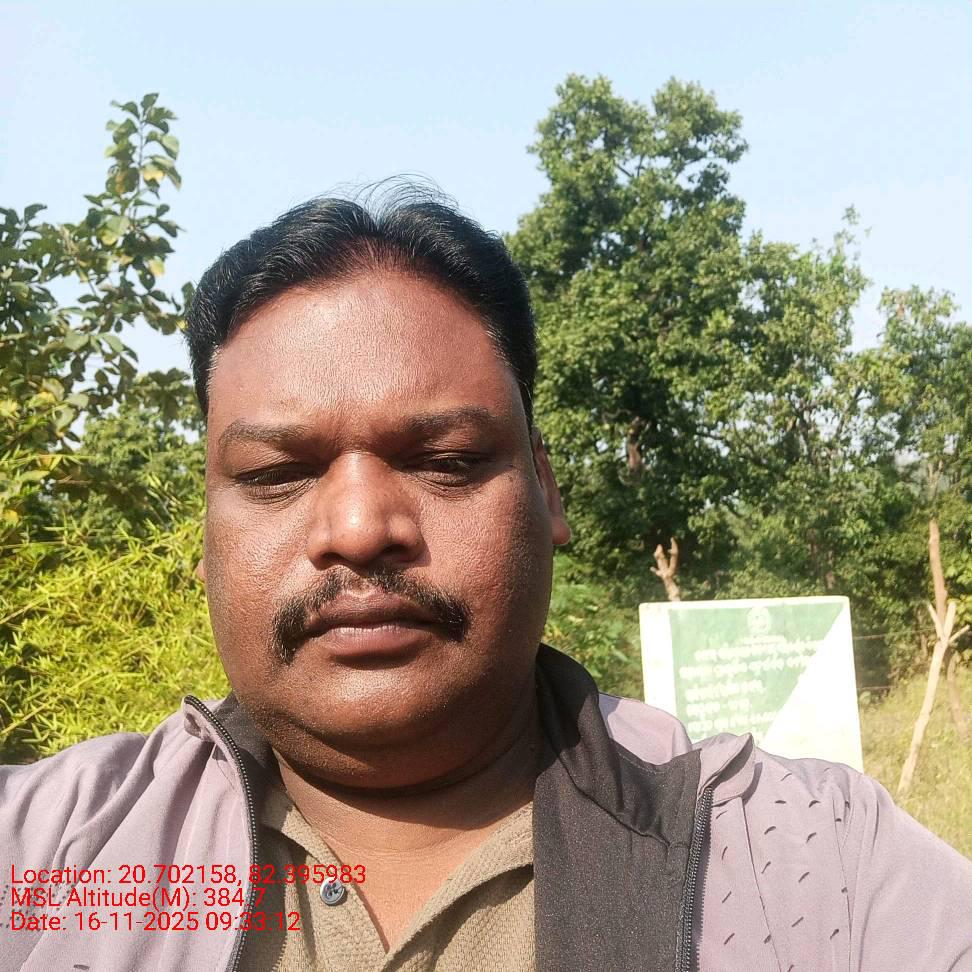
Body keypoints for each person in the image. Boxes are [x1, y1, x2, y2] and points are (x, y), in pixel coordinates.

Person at [2, 189, 970, 972]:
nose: (359, 529)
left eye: (448, 461)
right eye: (276, 475)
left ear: (546, 492)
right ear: (207, 537)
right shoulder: (46, 854)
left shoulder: (816, 871)